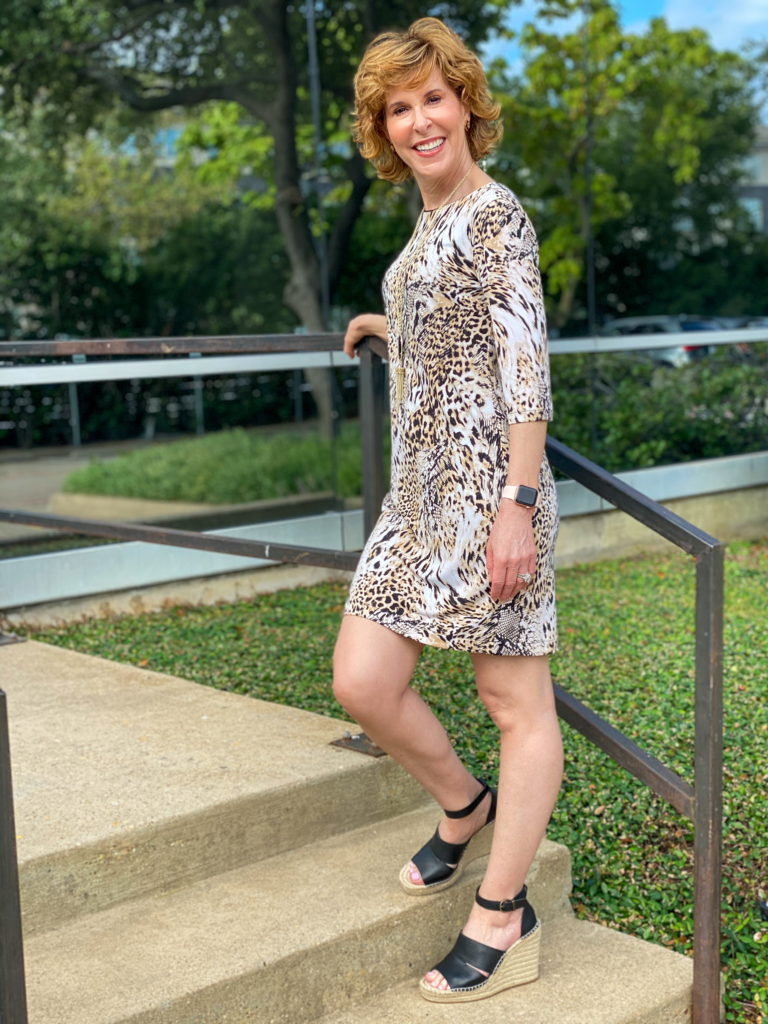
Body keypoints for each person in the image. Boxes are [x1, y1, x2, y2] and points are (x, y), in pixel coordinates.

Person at [333, 16, 563, 1004]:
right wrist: (390, 323)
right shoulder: (431, 221)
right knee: (363, 679)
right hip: (418, 502)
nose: (419, 119)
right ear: (383, 130)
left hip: (487, 502)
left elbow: (525, 365)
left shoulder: (496, 214)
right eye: (399, 106)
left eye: (433, 97)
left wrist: (516, 504)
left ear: (467, 105)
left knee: (516, 703)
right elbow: (454, 320)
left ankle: (503, 908)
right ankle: (463, 805)